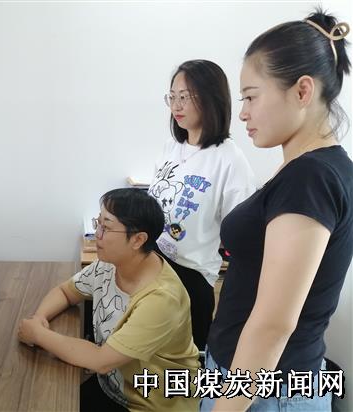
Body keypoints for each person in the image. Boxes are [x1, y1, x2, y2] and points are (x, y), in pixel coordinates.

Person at [203, 9, 352, 411]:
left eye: (251, 97)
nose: (243, 113)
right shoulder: (311, 169)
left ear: (302, 91)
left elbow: (273, 325)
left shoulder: (311, 178)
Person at [18, 188, 199, 411]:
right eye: (98, 223)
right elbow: (66, 292)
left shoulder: (161, 299)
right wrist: (40, 318)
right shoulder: (110, 264)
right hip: (112, 386)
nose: (97, 234)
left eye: (106, 227)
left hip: (150, 404)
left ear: (138, 239)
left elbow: (101, 361)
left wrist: (38, 334)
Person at [148, 60, 256, 350]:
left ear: (211, 98)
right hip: (154, 265)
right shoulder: (171, 147)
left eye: (185, 96)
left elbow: (243, 236)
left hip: (191, 279)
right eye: (172, 96)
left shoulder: (230, 160)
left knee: (182, 365)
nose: (176, 105)